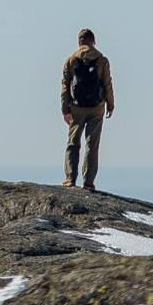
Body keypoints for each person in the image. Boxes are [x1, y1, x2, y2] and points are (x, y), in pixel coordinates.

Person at [60, 28, 115, 189]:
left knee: (73, 142)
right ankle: (89, 181)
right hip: (97, 107)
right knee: (92, 144)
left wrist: (65, 109)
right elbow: (107, 84)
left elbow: (65, 86)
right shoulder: (102, 60)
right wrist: (110, 104)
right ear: (94, 41)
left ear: (79, 42)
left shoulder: (71, 60)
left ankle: (70, 178)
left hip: (76, 107)